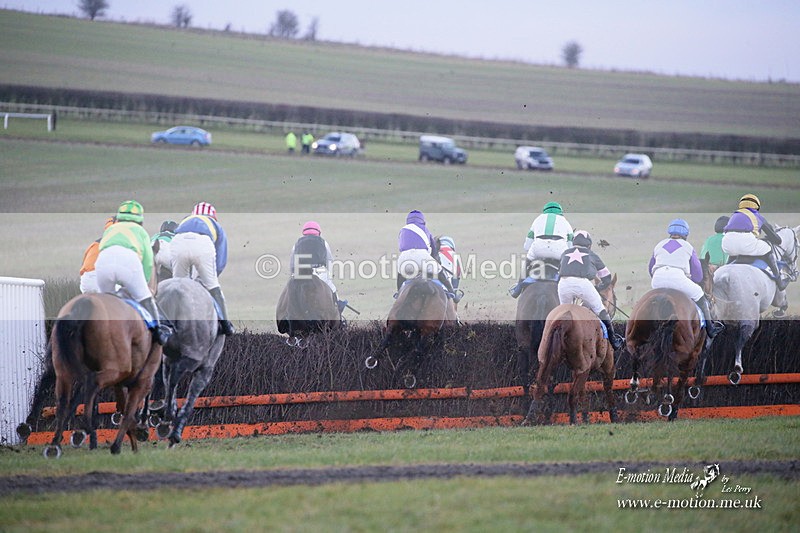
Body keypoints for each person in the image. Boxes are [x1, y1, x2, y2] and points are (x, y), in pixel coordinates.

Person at [94, 201, 170, 344]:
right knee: (145, 298)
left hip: (103, 261)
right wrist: (145, 282)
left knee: (105, 302)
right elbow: (148, 261)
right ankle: (158, 333)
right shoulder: (140, 231)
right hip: (128, 261)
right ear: (139, 219)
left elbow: (102, 249)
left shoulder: (111, 229)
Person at [649, 219, 723, 343]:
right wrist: (692, 280)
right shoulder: (688, 246)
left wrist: (659, 278)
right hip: (678, 279)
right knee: (700, 294)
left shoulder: (659, 244)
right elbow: (698, 274)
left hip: (657, 279)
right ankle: (711, 328)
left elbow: (651, 267)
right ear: (686, 234)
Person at [170, 202, 235, 335]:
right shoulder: (215, 225)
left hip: (178, 242)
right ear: (213, 216)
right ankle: (225, 324)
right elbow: (220, 261)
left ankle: (169, 322)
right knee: (213, 286)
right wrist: (207, 280)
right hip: (203, 244)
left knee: (178, 286)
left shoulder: (185, 221)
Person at [557, 230, 624, 350]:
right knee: (601, 310)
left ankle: (559, 341)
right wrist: (598, 288)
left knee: (564, 314)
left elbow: (559, 272)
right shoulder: (591, 254)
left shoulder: (565, 253)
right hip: (583, 284)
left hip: (563, 284)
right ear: (589, 245)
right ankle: (614, 341)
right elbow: (607, 278)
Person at [721, 193, 788, 290]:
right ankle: (779, 281)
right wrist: (777, 240)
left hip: (726, 242)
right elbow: (775, 238)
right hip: (745, 241)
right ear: (756, 206)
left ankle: (724, 269)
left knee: (734, 252)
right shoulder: (757, 216)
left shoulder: (734, 214)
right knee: (767, 249)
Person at [509, 201, 573, 297]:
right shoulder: (565, 222)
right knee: (569, 267)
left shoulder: (538, 219)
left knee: (527, 262)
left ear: (544, 211)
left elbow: (527, 246)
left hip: (538, 248)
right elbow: (570, 248)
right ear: (560, 212)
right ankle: (572, 290)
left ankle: (517, 288)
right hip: (559, 250)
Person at [396, 210, 459, 301]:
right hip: (422, 256)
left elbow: (402, 246)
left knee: (400, 274)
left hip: (404, 257)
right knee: (440, 271)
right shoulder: (425, 229)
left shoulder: (402, 231)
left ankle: (398, 295)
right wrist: (437, 262)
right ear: (422, 221)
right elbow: (433, 249)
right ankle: (452, 294)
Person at [289, 221, 348, 315]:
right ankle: (338, 306)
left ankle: (288, 314)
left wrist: (293, 274)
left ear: (303, 232)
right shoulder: (323, 243)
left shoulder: (296, 244)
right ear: (318, 232)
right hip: (319, 272)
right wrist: (329, 275)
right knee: (332, 287)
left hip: (301, 273)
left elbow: (292, 263)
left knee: (291, 291)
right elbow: (329, 260)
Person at [79, 216, 115, 293]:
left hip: (86, 282)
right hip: (101, 280)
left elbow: (83, 265)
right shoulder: (119, 243)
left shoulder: (94, 244)